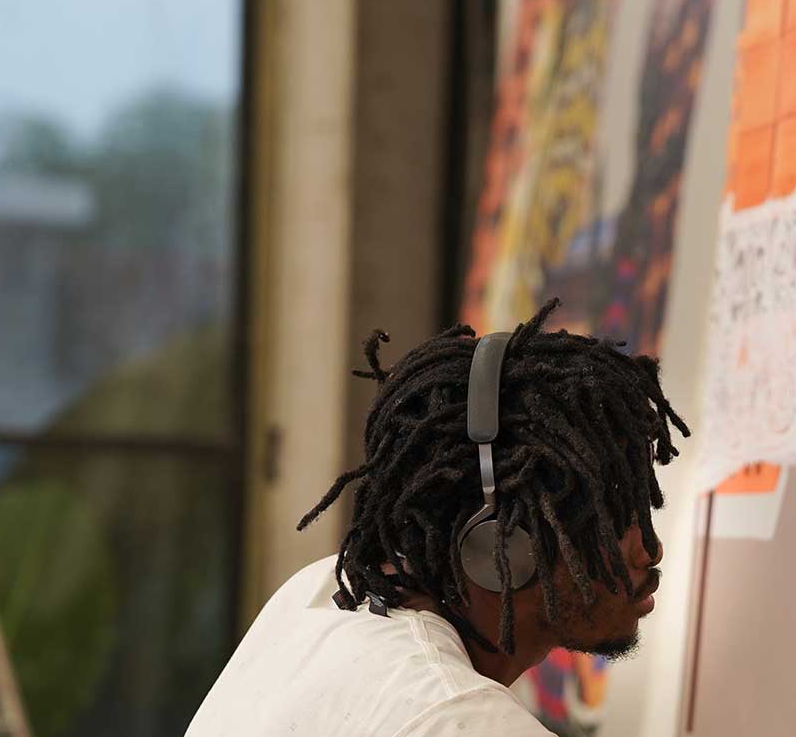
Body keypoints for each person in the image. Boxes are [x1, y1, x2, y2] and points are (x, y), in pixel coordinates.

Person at [185, 298, 689, 736]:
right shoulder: (452, 720)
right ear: (501, 550)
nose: (650, 549)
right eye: (612, 519)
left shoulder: (320, 597)